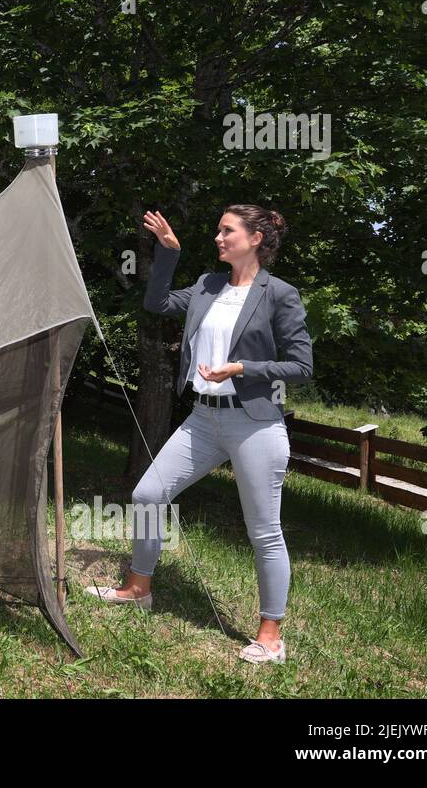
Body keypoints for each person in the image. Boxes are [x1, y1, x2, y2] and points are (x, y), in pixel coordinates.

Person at [85, 205, 313, 665]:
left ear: (255, 239)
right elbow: (157, 304)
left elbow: (302, 366)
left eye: (227, 231)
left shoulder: (280, 295)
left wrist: (243, 367)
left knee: (264, 530)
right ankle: (137, 588)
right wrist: (167, 254)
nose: (218, 237)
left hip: (255, 423)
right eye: (218, 230)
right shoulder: (210, 285)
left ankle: (271, 634)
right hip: (202, 419)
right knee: (149, 493)